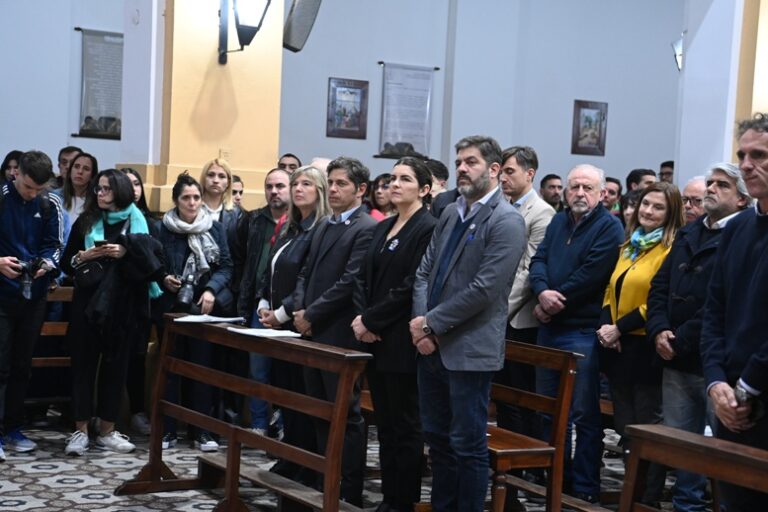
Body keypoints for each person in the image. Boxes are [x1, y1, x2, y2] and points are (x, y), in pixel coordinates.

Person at [410, 135, 525, 512]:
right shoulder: (449, 212)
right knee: (437, 441)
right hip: (431, 346)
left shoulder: (507, 221)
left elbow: (484, 290)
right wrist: (422, 324)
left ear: (493, 170)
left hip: (469, 349)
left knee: (468, 445)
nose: (461, 167)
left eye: (471, 162)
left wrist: (431, 325)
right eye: (459, 161)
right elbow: (425, 271)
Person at [647, 163, 751, 512]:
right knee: (683, 446)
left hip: (713, 363)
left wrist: (680, 339)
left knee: (722, 451)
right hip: (674, 358)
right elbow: (660, 285)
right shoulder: (689, 232)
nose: (711, 189)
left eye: (722, 185)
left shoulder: (739, 234)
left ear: (741, 199)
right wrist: (659, 329)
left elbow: (720, 303)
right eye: (710, 183)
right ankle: (685, 506)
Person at [529, 164, 625, 504]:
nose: (579, 193)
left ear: (601, 194)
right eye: (574, 187)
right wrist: (541, 292)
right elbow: (538, 260)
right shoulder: (558, 220)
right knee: (548, 410)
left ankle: (584, 486)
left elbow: (591, 275)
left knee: (583, 414)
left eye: (587, 187)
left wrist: (554, 301)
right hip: (550, 328)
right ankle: (558, 478)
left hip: (581, 330)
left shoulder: (609, 228)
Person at [352, 157, 437, 512]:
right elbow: (362, 277)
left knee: (405, 425)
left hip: (402, 338)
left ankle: (403, 500)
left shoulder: (427, 228)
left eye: (405, 179)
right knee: (385, 425)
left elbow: (410, 286)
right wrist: (362, 318)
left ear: (425, 189)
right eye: (392, 179)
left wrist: (370, 320)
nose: (395, 185)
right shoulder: (383, 225)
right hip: (374, 338)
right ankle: (389, 497)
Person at [291, 156, 377, 506]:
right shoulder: (325, 224)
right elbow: (305, 271)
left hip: (339, 332)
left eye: (342, 184)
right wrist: (300, 308)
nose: (335, 189)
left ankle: (349, 486)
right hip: (311, 328)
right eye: (333, 183)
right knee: (318, 407)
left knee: (346, 413)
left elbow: (350, 281)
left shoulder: (367, 227)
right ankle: (322, 473)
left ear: (360, 189)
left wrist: (311, 312)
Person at [61, 169, 163, 456]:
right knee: (82, 366)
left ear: (120, 191)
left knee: (115, 369)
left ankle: (107, 429)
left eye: (106, 189)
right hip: (88, 304)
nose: (100, 194)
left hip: (124, 305)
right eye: (98, 189)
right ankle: (79, 431)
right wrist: (84, 256)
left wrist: (126, 253)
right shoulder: (87, 220)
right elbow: (67, 264)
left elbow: (153, 262)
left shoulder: (139, 223)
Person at [598, 182, 684, 505]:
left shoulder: (671, 249)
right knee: (625, 426)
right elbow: (611, 289)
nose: (647, 211)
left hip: (644, 345)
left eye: (657, 207)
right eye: (645, 204)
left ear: (670, 213)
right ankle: (630, 490)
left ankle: (646, 498)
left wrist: (619, 328)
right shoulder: (630, 245)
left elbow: (657, 301)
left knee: (648, 428)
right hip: (618, 347)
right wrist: (608, 325)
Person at [701, 113, 768, 511]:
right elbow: (715, 311)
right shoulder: (738, 226)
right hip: (731, 398)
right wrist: (714, 383)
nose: (746, 164)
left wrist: (746, 387)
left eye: (759, 154)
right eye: (742, 154)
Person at [253, 165, 330, 483]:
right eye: (295, 183)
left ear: (320, 190)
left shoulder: (320, 229)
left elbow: (306, 279)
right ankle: (291, 454)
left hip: (298, 323)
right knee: (285, 393)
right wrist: (262, 302)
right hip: (278, 322)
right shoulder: (292, 228)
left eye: (306, 184)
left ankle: (305, 460)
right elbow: (271, 272)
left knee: (301, 395)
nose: (298, 189)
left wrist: (282, 313)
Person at [154, 173, 233, 452]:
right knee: (171, 368)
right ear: (176, 200)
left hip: (203, 305)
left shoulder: (214, 228)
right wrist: (164, 278)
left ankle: (202, 430)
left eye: (196, 198)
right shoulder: (162, 228)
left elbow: (225, 266)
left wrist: (211, 289)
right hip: (171, 307)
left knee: (202, 368)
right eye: (186, 198)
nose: (192, 203)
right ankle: (168, 430)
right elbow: (153, 264)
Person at [0, 151, 64, 461]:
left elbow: (55, 245)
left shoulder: (49, 203)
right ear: (16, 174)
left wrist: (47, 264)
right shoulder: (1, 197)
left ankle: (13, 428)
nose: (33, 193)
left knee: (23, 365)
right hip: (1, 293)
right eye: (28, 187)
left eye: (39, 188)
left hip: (34, 294)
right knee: (0, 365)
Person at [237, 167, 291, 438]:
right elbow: (243, 262)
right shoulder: (254, 220)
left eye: (280, 186)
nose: (274, 191)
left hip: (286, 307)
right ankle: (259, 422)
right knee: (257, 368)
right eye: (269, 186)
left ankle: (282, 423)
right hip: (258, 302)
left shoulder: (298, 222)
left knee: (284, 369)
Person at [121, 168, 156, 436]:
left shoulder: (149, 222)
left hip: (140, 298)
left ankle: (137, 411)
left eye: (136, 183)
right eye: (126, 183)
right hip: (111, 296)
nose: (133, 188)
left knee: (136, 357)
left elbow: (155, 261)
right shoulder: (102, 219)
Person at [62, 152, 98, 226]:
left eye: (86, 169)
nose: (80, 171)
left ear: (92, 176)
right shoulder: (56, 197)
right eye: (76, 166)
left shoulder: (97, 202)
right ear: (69, 172)